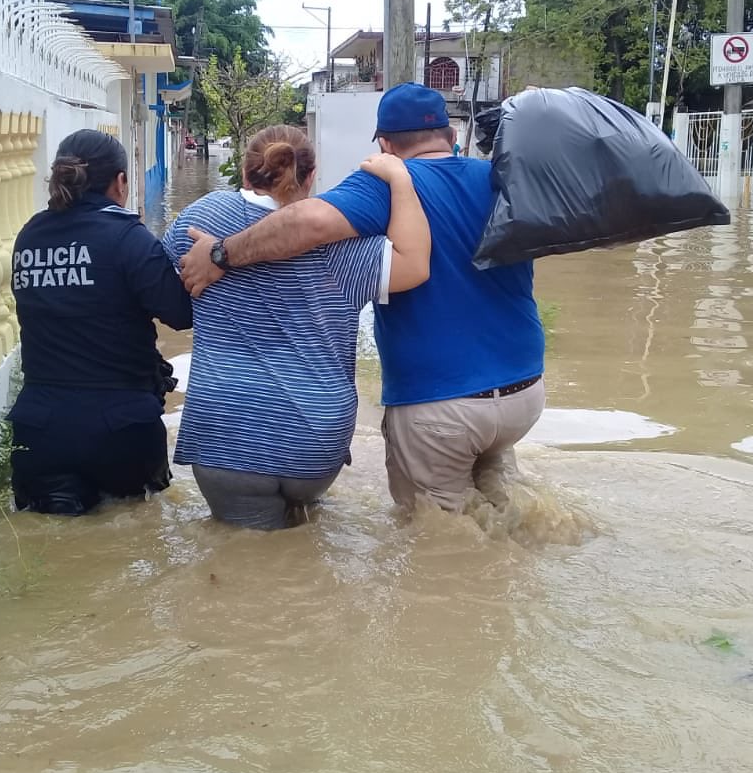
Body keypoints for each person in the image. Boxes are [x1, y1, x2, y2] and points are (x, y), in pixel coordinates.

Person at [179, 84, 546, 513]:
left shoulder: (385, 184)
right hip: (525, 392)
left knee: (438, 544)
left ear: (386, 145)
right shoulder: (500, 180)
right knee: (504, 510)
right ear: (450, 136)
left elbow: (308, 221)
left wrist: (222, 254)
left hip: (440, 402)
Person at [161, 125, 431, 530]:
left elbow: (161, 290)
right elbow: (414, 265)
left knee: (249, 562)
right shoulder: (342, 244)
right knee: (306, 544)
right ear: (312, 173)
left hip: (226, 436)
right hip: (314, 441)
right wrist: (400, 180)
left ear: (245, 169)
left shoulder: (200, 218)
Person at [8, 129, 192, 517]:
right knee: (135, 540)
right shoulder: (128, 238)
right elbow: (181, 314)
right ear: (121, 181)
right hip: (121, 430)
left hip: (39, 433)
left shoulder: (29, 236)